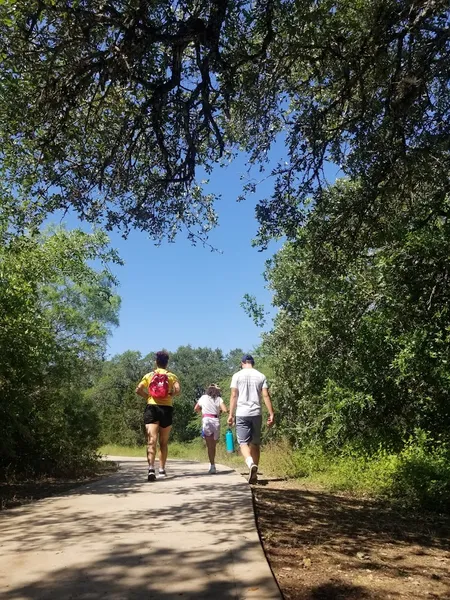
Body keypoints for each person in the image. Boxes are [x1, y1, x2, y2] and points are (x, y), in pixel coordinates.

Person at [227, 354, 274, 484]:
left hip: (242, 413)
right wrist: (271, 413)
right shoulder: (261, 376)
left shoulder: (237, 375)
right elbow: (265, 395)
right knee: (255, 443)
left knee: (243, 443)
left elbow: (234, 395)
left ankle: (250, 463)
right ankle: (255, 474)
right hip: (256, 413)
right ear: (253, 363)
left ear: (242, 363)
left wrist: (230, 414)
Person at [135, 350, 180, 481]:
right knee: (163, 442)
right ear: (167, 363)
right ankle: (161, 469)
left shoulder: (149, 375)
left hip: (152, 408)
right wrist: (171, 395)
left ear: (156, 362)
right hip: (166, 409)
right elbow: (177, 389)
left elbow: (138, 389)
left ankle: (150, 469)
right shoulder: (172, 376)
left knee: (151, 440)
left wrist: (147, 396)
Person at [194, 384, 228, 474]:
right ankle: (213, 464)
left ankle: (212, 465)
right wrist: (219, 411)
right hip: (216, 421)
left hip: (206, 420)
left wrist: (202, 411)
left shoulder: (203, 398)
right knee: (214, 445)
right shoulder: (218, 399)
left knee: (209, 446)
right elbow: (225, 409)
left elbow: (196, 408)